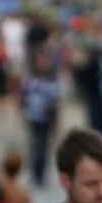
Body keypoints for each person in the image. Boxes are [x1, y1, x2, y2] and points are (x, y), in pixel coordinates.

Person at [21, 51, 63, 186]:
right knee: (34, 145)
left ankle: (41, 175)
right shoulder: (31, 77)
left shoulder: (52, 79)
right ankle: (34, 173)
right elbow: (24, 95)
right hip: (33, 116)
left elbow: (55, 102)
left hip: (46, 118)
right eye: (40, 60)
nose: (43, 63)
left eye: (45, 60)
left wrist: (56, 122)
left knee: (44, 147)